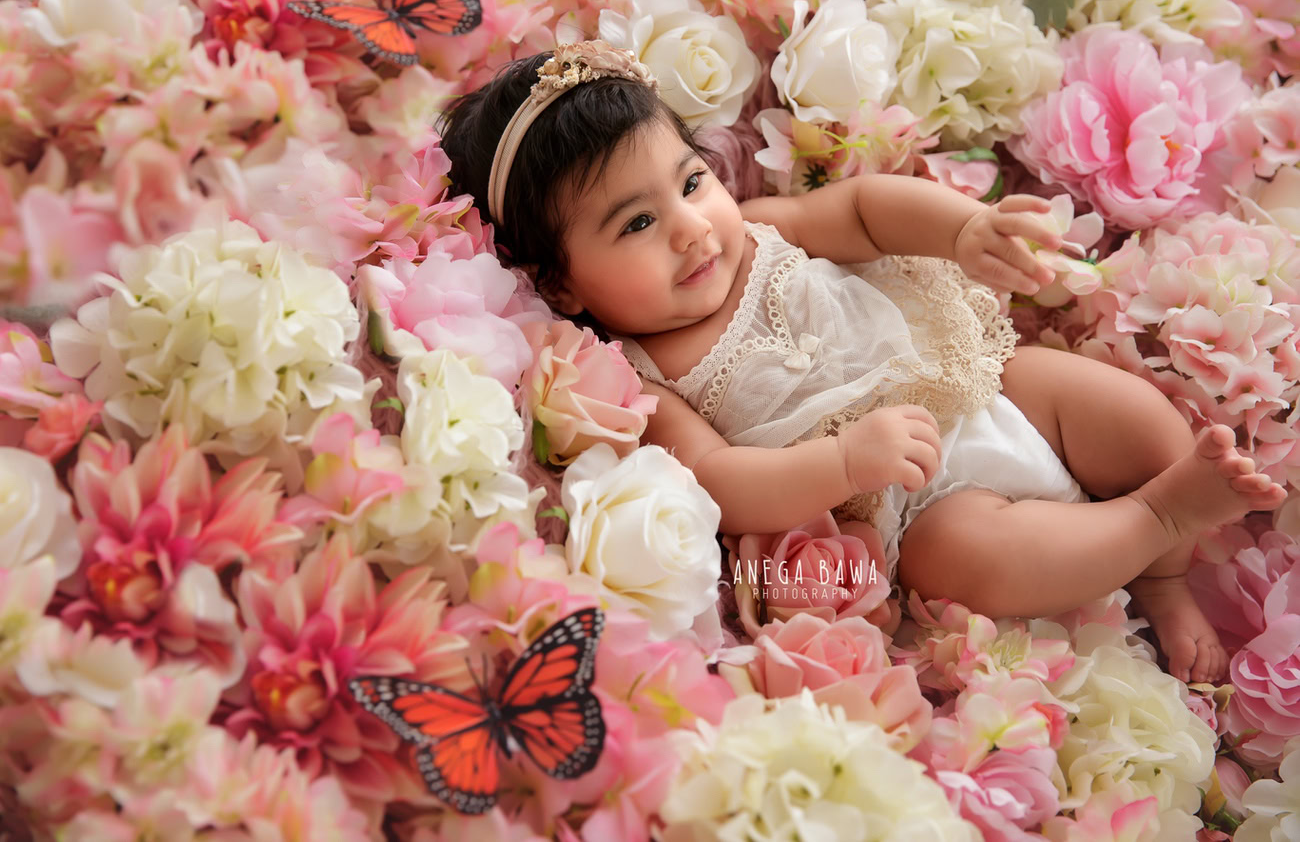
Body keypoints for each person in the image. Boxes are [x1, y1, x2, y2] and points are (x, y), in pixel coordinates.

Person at [439, 39, 1287, 683]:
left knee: (1117, 407)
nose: (692, 227)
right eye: (635, 224)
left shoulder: (766, 224)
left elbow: (867, 211)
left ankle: (1168, 578)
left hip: (978, 384)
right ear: (561, 280)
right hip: (908, 497)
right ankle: (1155, 525)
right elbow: (723, 477)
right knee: (966, 562)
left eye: (691, 182)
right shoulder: (642, 380)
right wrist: (843, 460)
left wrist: (963, 230)